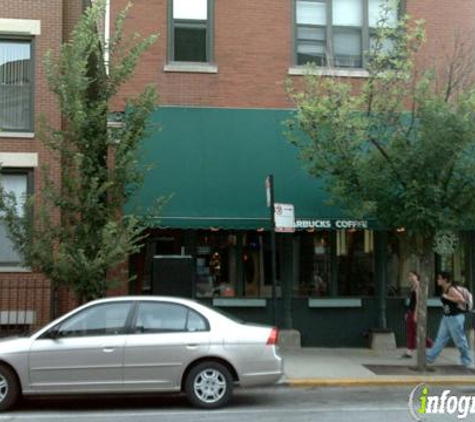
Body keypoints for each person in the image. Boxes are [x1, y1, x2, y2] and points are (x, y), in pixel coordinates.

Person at [426, 271, 473, 368]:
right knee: (440, 339)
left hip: (455, 318)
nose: (437, 280)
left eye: (439, 278)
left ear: (445, 280)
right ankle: (429, 358)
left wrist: (447, 297)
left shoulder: (451, 289)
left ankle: (466, 359)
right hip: (446, 317)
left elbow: (462, 300)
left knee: (459, 340)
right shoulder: (445, 289)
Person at [401, 271, 434, 358]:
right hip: (411, 312)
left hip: (415, 312)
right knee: (410, 332)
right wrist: (408, 313)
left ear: (417, 276)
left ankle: (432, 346)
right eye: (409, 276)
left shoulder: (418, 287)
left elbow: (419, 302)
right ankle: (409, 352)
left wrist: (416, 314)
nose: (410, 277)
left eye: (412, 276)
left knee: (418, 332)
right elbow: (412, 302)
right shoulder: (413, 287)